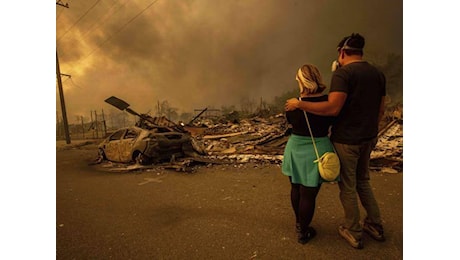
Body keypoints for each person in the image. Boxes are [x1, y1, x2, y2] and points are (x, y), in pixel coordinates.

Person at [285, 33, 386, 249]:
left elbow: (332, 108)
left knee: (348, 187)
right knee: (363, 182)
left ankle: (354, 231)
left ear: (341, 52)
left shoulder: (343, 74)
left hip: (347, 140)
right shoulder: (378, 73)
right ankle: (375, 225)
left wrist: (300, 104)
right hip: (368, 137)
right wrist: (373, 131)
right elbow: (381, 108)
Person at [281, 64, 336, 244]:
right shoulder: (328, 102)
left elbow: (290, 123)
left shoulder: (292, 104)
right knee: (309, 194)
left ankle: (299, 225)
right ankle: (303, 231)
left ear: (301, 81)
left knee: (296, 188)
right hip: (317, 149)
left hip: (295, 148)